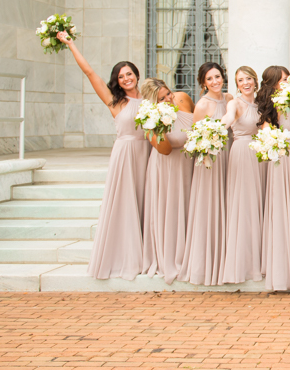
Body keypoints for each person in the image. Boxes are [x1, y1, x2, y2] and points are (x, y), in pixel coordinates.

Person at [57, 31, 149, 281]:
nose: (126, 78)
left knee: (147, 202)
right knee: (126, 203)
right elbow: (89, 73)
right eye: (121, 76)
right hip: (126, 154)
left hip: (149, 153)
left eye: (129, 73)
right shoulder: (114, 101)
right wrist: (70, 43)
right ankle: (126, 256)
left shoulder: (150, 97)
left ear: (137, 75)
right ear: (117, 82)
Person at [179, 62, 232, 286]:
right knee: (211, 207)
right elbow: (194, 139)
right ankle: (209, 263)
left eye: (217, 77)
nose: (215, 82)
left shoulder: (230, 99)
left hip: (230, 156)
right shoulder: (202, 105)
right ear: (203, 83)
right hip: (211, 160)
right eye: (209, 79)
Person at [139, 78, 194, 284]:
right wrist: (158, 124)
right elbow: (165, 149)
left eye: (168, 94)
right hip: (168, 169)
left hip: (189, 167)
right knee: (172, 211)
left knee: (190, 210)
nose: (168, 100)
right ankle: (172, 257)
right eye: (161, 99)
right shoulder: (149, 120)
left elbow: (199, 121)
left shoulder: (182, 99)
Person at [256, 65, 290, 291]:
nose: (287, 82)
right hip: (284, 159)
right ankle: (283, 269)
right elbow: (266, 132)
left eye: (288, 79)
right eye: (284, 79)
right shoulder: (272, 105)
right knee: (284, 209)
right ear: (274, 83)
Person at [218, 66, 263, 284]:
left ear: (255, 81)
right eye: (240, 80)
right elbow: (228, 118)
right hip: (242, 154)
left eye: (249, 79)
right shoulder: (234, 103)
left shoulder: (260, 104)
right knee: (244, 205)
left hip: (260, 156)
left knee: (257, 205)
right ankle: (242, 262)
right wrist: (218, 127)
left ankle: (258, 257)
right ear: (236, 84)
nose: (245, 83)